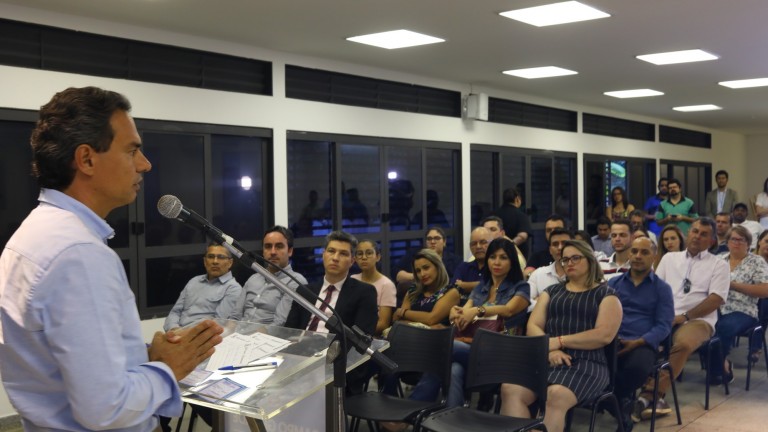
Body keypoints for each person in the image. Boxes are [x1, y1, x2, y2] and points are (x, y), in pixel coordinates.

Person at [0, 87, 223, 431]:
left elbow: (70, 363)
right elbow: (107, 407)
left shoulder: (35, 234)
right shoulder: (77, 254)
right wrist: (168, 368)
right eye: (132, 150)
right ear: (87, 159)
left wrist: (144, 356)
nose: (145, 164)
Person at [500, 240, 622, 432]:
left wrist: (558, 342)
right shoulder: (552, 292)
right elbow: (533, 326)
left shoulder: (607, 295)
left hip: (588, 363)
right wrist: (549, 350)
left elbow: (603, 335)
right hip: (547, 358)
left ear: (590, 260)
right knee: (510, 389)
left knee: (555, 395)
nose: (569, 263)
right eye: (565, 260)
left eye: (575, 258)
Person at [633, 218, 729, 421]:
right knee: (632, 336)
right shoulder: (670, 259)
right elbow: (654, 289)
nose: (697, 236)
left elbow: (716, 300)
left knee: (683, 344)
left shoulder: (719, 265)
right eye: (694, 231)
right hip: (665, 316)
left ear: (712, 240)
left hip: (697, 320)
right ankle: (627, 392)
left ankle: (650, 394)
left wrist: (684, 316)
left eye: (703, 234)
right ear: (688, 233)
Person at [284, 230, 378, 395]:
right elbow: (289, 331)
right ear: (323, 254)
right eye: (331, 251)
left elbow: (361, 340)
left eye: (343, 254)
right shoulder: (306, 291)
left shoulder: (364, 292)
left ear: (352, 260)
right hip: (298, 362)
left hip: (335, 366)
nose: (335, 258)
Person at [444, 238, 530, 407]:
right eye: (492, 257)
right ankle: (451, 417)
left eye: (503, 257)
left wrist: (478, 310)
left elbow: (509, 310)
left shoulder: (521, 287)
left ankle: (418, 406)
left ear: (512, 261)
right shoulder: (482, 287)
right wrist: (455, 312)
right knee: (454, 369)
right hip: (471, 347)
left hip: (500, 354)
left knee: (443, 346)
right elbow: (465, 312)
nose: (496, 262)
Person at [608, 237, 674, 431]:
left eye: (644, 252)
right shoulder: (614, 283)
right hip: (612, 339)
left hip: (643, 342)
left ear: (654, 256)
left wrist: (638, 342)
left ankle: (615, 403)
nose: (638, 256)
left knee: (636, 368)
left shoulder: (662, 289)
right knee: (593, 366)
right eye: (634, 251)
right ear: (629, 254)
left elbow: (664, 326)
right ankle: (623, 407)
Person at [711, 226, 768, 383]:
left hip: (743, 310)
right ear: (727, 242)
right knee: (702, 326)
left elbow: (765, 290)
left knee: (723, 327)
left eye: (741, 240)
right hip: (715, 306)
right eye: (733, 239)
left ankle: (718, 370)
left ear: (748, 243)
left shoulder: (757, 262)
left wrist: (733, 285)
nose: (736, 243)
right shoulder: (718, 259)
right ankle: (722, 364)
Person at [229, 226, 308, 326]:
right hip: (239, 333)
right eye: (268, 246)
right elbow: (235, 316)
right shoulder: (253, 279)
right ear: (263, 251)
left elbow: (279, 323)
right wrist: (227, 333)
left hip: (267, 335)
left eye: (279, 246)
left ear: (290, 251)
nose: (273, 252)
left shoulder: (296, 282)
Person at [164, 243, 242, 331]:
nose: (215, 261)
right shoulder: (194, 281)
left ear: (230, 262)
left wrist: (183, 333)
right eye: (211, 257)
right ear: (205, 261)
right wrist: (173, 329)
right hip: (177, 333)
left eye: (221, 257)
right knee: (156, 337)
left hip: (200, 336)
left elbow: (217, 323)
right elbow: (175, 312)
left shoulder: (233, 288)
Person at [392, 249, 461, 328]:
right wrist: (427, 325)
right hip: (409, 334)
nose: (422, 274)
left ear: (438, 267)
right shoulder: (413, 290)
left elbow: (431, 319)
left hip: (437, 335)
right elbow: (399, 321)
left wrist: (403, 312)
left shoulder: (451, 292)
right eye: (418, 271)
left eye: (426, 268)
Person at [351, 239, 397, 336]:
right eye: (360, 254)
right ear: (355, 259)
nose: (364, 257)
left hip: (370, 336)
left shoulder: (387, 285)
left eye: (369, 253)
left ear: (378, 257)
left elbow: (383, 324)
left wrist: (357, 333)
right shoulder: (352, 279)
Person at [528, 228, 574, 312]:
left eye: (564, 243)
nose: (560, 247)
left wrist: (542, 301)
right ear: (550, 250)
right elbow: (525, 303)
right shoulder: (538, 274)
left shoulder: (581, 273)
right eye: (555, 244)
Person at [395, 226, 460, 283]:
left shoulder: (456, 261)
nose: (432, 242)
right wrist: (417, 277)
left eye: (437, 238)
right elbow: (396, 273)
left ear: (444, 242)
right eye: (429, 239)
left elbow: (456, 282)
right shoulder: (414, 254)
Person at [452, 227, 492, 303]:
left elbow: (493, 286)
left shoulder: (496, 267)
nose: (478, 246)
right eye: (474, 243)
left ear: (492, 244)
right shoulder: (463, 267)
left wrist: (463, 285)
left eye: (483, 242)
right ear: (470, 247)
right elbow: (454, 288)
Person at [492, 188, 533, 257]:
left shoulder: (494, 214)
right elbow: (522, 236)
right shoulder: (521, 215)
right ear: (517, 199)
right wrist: (508, 247)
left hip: (494, 253)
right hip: (516, 255)